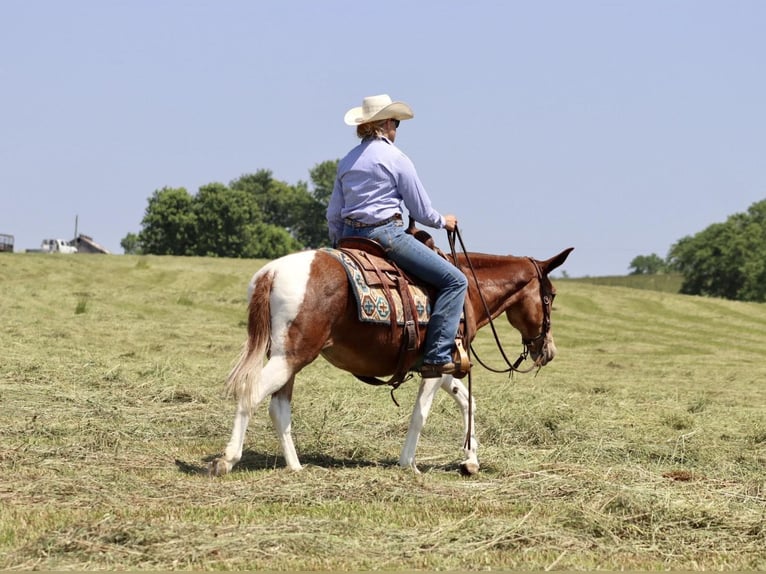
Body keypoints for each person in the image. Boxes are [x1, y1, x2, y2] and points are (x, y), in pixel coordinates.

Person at [327, 94, 468, 378]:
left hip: (349, 238)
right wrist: (444, 222)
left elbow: (334, 212)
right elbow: (421, 209)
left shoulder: (347, 161)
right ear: (387, 123)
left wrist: (339, 243)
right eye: (396, 123)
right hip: (386, 234)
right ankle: (438, 355)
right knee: (456, 281)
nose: (396, 129)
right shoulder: (396, 158)